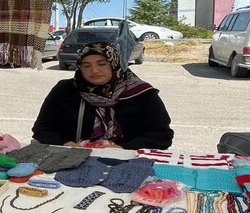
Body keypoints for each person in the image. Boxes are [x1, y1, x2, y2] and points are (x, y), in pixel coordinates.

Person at [32, 41, 173, 149]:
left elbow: (161, 135)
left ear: (114, 64)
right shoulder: (65, 90)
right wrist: (65, 143)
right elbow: (42, 129)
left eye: (102, 64)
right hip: (71, 158)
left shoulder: (141, 93)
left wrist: (122, 148)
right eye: (86, 66)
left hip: (128, 160)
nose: (94, 70)